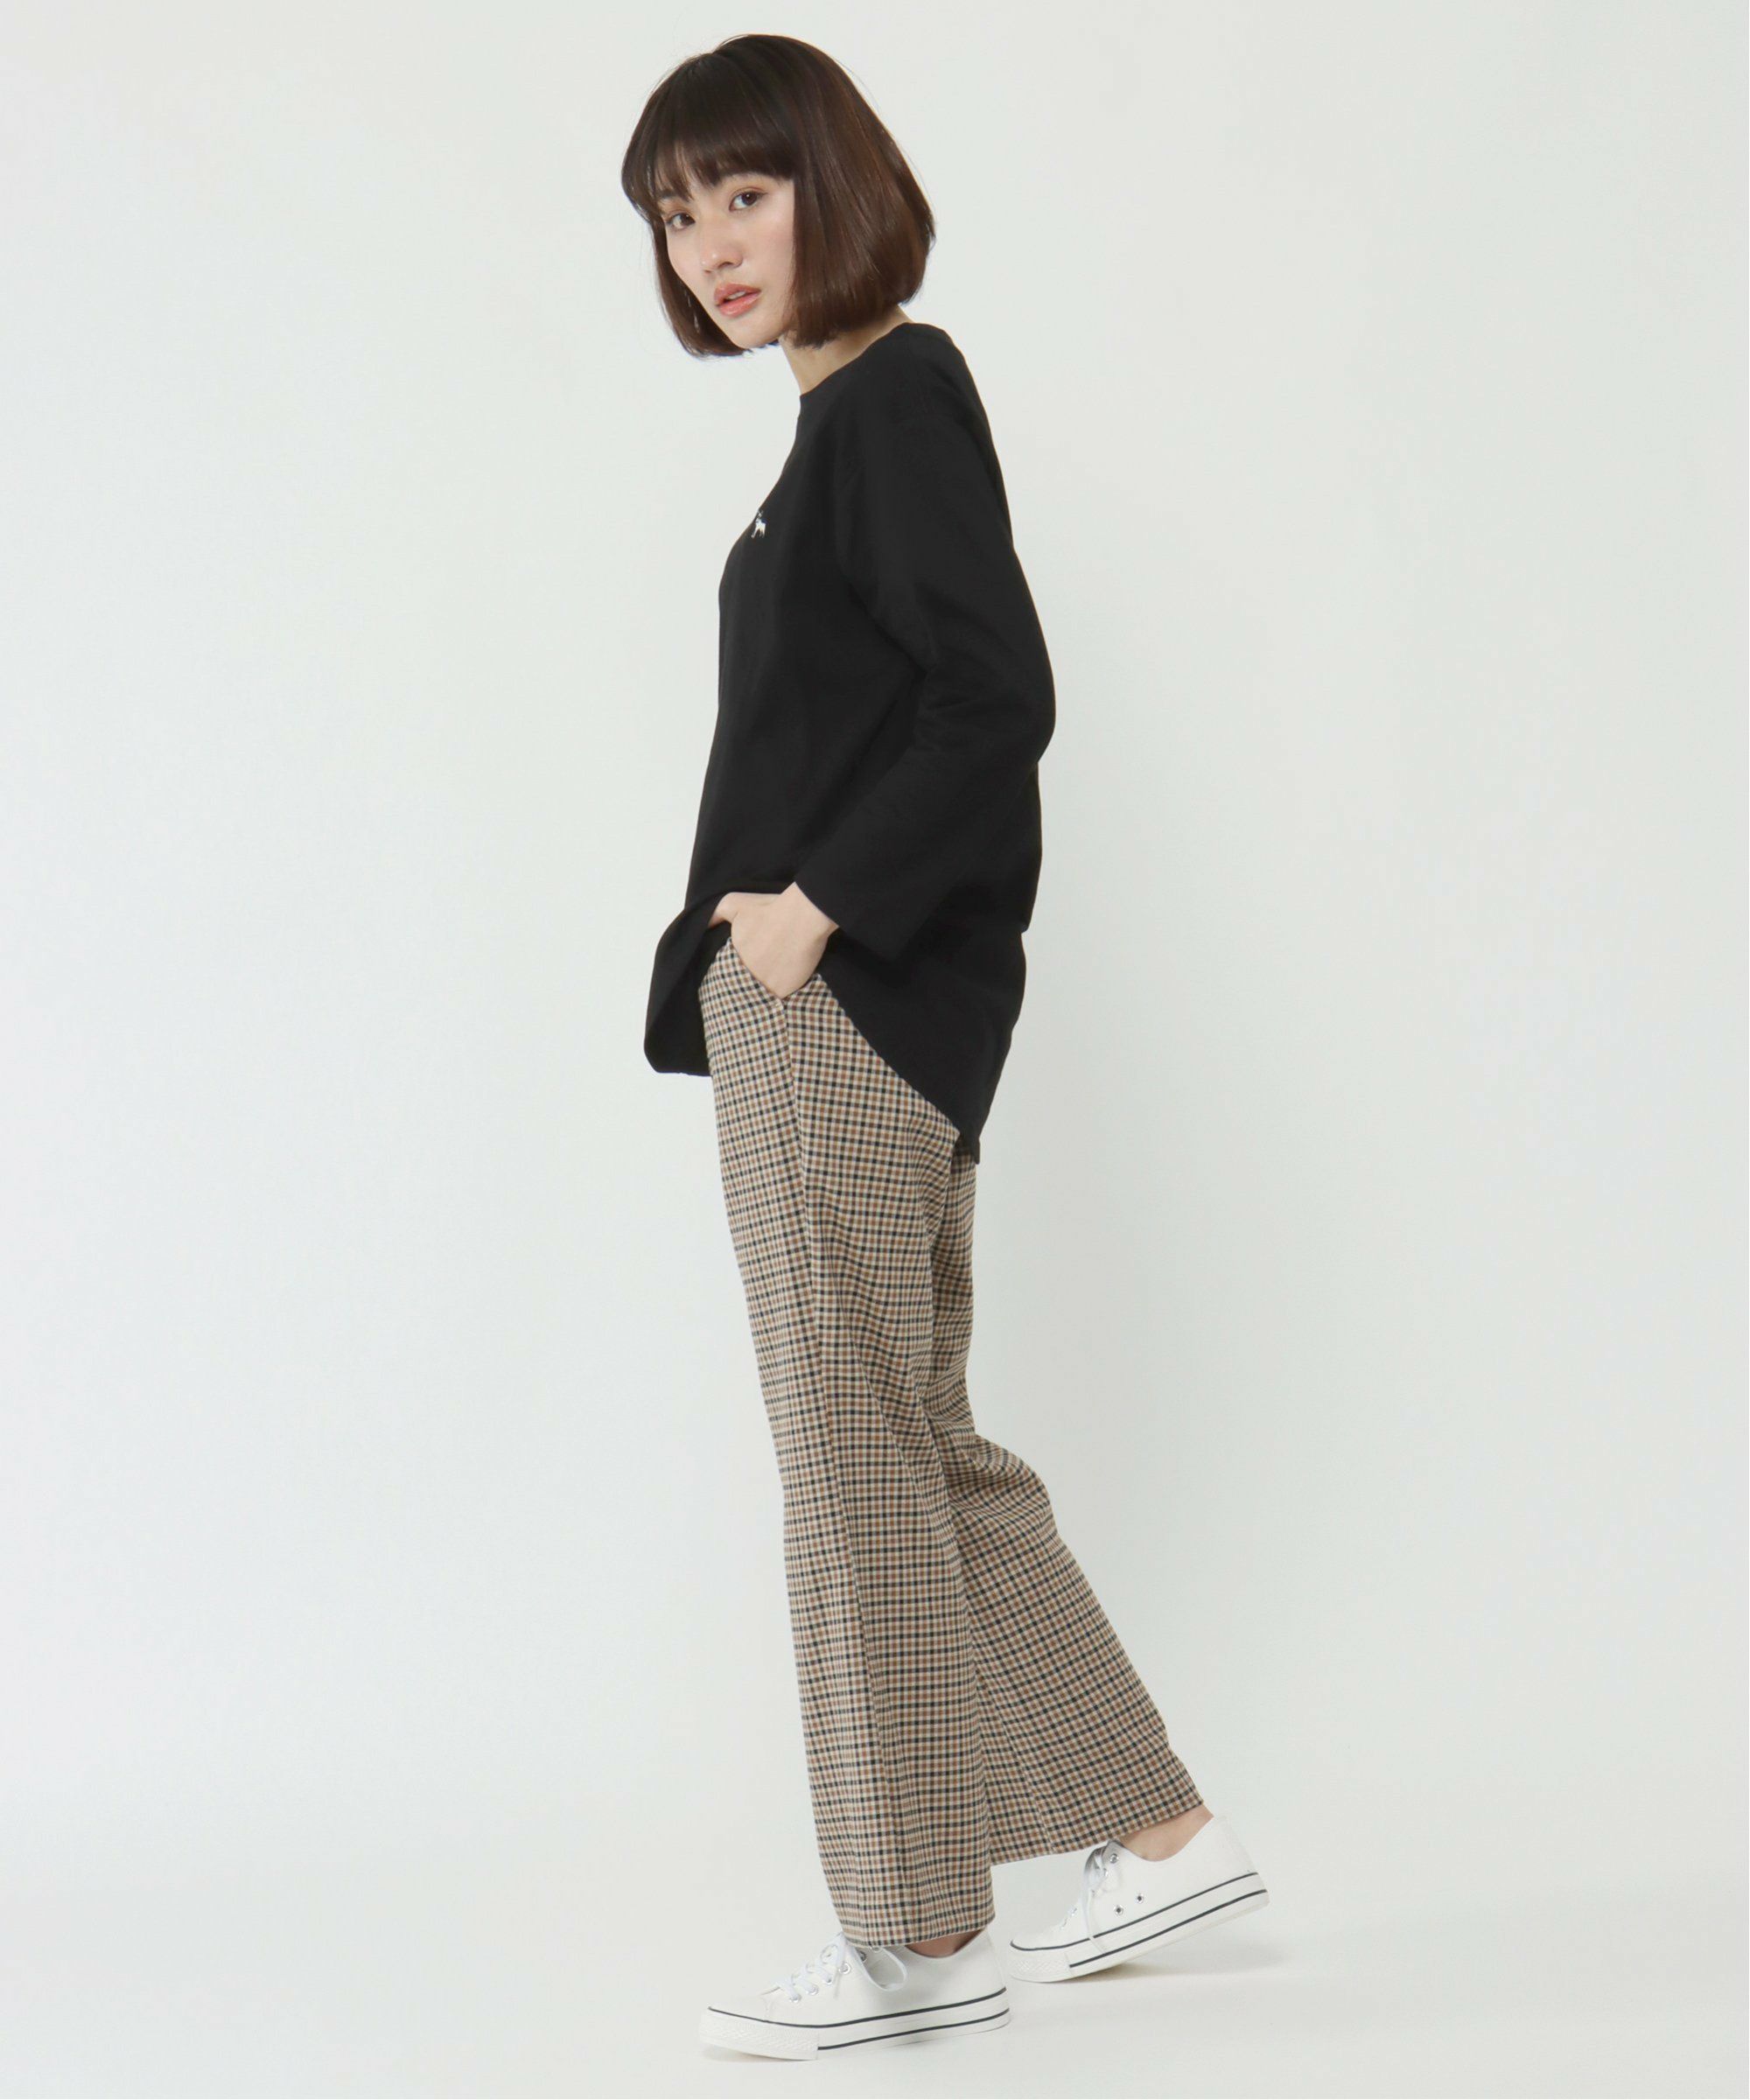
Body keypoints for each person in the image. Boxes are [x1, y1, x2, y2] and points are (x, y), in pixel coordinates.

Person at [622, 33, 1268, 2062]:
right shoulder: (839, 427)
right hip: (863, 1009)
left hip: (844, 1005)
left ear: (834, 182)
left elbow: (997, 696)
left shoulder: (892, 396)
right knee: (915, 1446)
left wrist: (809, 911)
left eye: (744, 192)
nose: (711, 243)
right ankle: (1157, 1838)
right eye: (676, 213)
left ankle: (914, 1935)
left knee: (854, 1476)